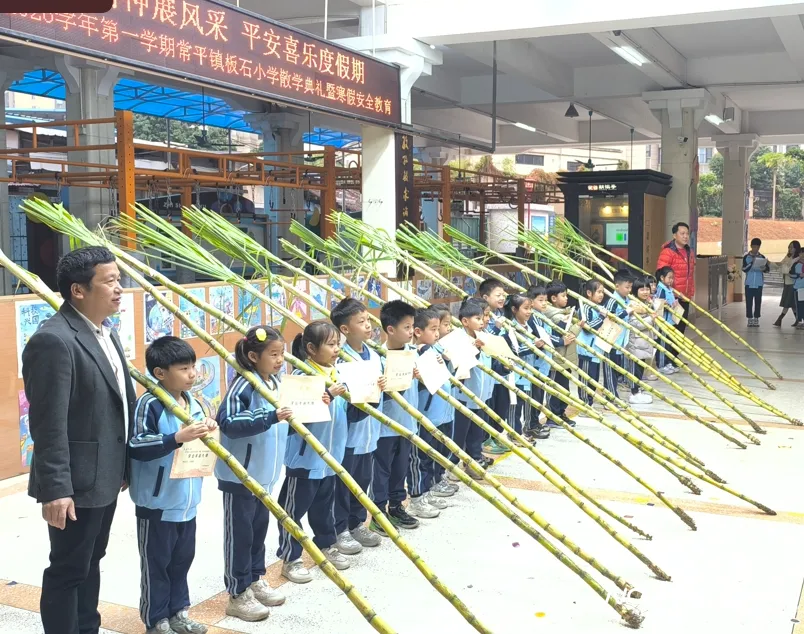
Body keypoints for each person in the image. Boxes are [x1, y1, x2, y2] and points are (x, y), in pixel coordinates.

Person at [22, 246, 136, 634]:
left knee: (91, 560)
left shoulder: (105, 331)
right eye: (110, 281)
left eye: (119, 279)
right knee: (68, 569)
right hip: (74, 483)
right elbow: (47, 424)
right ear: (78, 290)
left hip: (105, 474)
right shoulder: (54, 340)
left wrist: (124, 465)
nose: (119, 288)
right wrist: (56, 490)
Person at [129, 336, 217, 634]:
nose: (192, 374)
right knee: (157, 564)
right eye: (183, 368)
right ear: (160, 373)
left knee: (181, 561)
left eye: (193, 367)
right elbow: (137, 445)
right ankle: (156, 620)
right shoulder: (149, 403)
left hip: (187, 501)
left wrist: (209, 427)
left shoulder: (193, 402)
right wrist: (176, 438)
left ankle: (178, 612)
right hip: (157, 503)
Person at [216, 326, 288, 619]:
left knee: (258, 531)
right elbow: (228, 421)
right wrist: (269, 416)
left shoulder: (275, 382)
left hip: (265, 475)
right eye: (274, 354)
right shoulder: (244, 385)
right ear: (253, 356)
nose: (280, 360)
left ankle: (255, 578)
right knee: (240, 535)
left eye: (282, 354)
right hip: (240, 477)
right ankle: (237, 592)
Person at [277, 321, 352, 581]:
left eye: (338, 344)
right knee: (292, 511)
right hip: (305, 458)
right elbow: (295, 417)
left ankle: (326, 545)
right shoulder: (301, 377)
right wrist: (327, 395)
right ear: (311, 348)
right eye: (330, 345)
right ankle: (290, 558)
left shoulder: (337, 374)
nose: (336, 349)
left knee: (324, 506)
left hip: (331, 456)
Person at [330, 298, 385, 552]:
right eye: (361, 322)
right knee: (344, 483)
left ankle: (357, 523)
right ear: (345, 329)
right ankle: (339, 528)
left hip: (370, 431)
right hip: (349, 434)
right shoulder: (340, 360)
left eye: (368, 320)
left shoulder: (373, 354)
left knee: (363, 480)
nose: (368, 325)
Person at [370, 300, 422, 533]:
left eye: (412, 326)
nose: (411, 332)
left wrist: (420, 375)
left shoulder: (413, 353)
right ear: (390, 329)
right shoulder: (378, 358)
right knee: (382, 470)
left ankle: (396, 506)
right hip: (385, 426)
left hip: (407, 422)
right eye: (407, 327)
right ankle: (378, 512)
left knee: (401, 468)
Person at [408, 307, 453, 518]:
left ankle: (433, 486)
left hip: (441, 412)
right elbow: (419, 385)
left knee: (437, 452)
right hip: (425, 415)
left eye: (438, 329)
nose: (437, 333)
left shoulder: (433, 350)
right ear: (418, 332)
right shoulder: (415, 353)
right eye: (433, 329)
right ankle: (419, 496)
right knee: (421, 458)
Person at [451, 298, 494, 479]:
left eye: (483, 318)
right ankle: (453, 465)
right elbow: (459, 366)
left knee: (477, 431)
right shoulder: (458, 339)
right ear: (465, 321)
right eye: (478, 318)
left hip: (481, 394)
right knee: (460, 433)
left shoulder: (484, 337)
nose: (483, 322)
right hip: (464, 396)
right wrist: (473, 349)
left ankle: (474, 460)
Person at [429, 304, 460, 494]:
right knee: (429, 453)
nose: (448, 329)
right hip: (432, 412)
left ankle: (440, 477)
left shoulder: (440, 348)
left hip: (446, 408)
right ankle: (429, 485)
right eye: (445, 325)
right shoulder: (423, 351)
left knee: (443, 447)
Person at [543, 280, 583, 427]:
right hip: (557, 359)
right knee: (555, 389)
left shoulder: (563, 312)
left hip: (564, 358)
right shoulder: (553, 315)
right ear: (553, 298)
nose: (566, 298)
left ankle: (561, 413)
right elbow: (567, 335)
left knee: (564, 388)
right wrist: (579, 326)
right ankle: (552, 416)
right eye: (563, 296)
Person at [478, 279, 509, 455]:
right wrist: (496, 329)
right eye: (498, 295)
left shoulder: (500, 315)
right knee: (488, 409)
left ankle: (495, 436)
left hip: (500, 370)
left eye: (503, 295)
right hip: (488, 373)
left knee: (501, 407)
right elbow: (486, 341)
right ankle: (485, 441)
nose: (502, 298)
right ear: (485, 297)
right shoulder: (482, 319)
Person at [656, 221, 696, 333]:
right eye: (682, 233)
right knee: (671, 330)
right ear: (674, 235)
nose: (685, 236)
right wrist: (669, 294)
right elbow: (661, 274)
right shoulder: (668, 252)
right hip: (672, 297)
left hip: (684, 297)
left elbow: (690, 275)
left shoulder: (689, 251)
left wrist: (691, 292)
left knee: (681, 328)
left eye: (687, 234)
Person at [603, 270, 633, 404]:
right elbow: (609, 317)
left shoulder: (627, 299)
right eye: (627, 287)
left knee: (615, 370)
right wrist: (626, 312)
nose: (629, 290)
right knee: (610, 370)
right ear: (617, 286)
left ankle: (612, 394)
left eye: (630, 287)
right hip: (611, 341)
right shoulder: (613, 300)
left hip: (621, 341)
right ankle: (611, 398)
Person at [576, 280, 608, 407]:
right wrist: (601, 317)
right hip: (587, 350)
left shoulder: (599, 308)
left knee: (594, 379)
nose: (601, 295)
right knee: (586, 379)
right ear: (589, 293)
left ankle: (590, 402)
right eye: (599, 292)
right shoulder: (585, 308)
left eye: (602, 292)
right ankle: (585, 404)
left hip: (596, 350)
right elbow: (587, 328)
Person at [625, 279, 656, 405]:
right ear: (635, 291)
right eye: (642, 289)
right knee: (635, 368)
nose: (645, 292)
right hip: (636, 342)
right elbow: (635, 324)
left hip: (643, 341)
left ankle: (637, 391)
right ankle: (634, 393)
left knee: (640, 367)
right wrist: (650, 319)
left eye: (647, 289)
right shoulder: (633, 305)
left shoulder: (646, 303)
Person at [654, 266, 680, 375]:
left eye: (672, 278)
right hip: (663, 322)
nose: (671, 280)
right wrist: (669, 306)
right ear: (662, 278)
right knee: (663, 344)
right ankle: (661, 365)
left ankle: (668, 362)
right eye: (669, 277)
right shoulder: (660, 289)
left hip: (670, 321)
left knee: (669, 344)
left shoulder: (669, 289)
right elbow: (658, 305)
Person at [742, 237, 771, 327]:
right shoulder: (746, 257)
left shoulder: (762, 257)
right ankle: (749, 318)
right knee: (749, 301)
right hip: (749, 283)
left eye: (757, 247)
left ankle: (756, 318)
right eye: (754, 247)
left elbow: (767, 270)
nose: (755, 249)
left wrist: (764, 268)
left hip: (758, 283)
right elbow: (744, 269)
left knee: (758, 301)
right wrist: (752, 262)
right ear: (751, 246)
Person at [774, 241, 801, 327]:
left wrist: (785, 267)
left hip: (793, 283)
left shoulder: (798, 258)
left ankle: (780, 319)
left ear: (796, 248)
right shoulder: (787, 257)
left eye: (792, 247)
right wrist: (771, 263)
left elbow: (789, 267)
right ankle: (798, 320)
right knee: (792, 303)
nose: (790, 249)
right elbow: (781, 264)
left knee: (787, 302)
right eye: (789, 247)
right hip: (787, 282)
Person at [791, 252, 804, 329]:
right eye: (801, 254)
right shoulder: (796, 264)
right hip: (798, 288)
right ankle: (799, 321)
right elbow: (791, 274)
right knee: (799, 306)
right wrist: (799, 275)